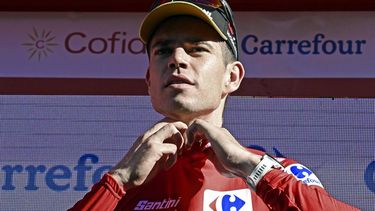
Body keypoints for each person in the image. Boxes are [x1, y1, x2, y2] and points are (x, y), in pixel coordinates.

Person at [69, 0, 359, 210]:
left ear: (231, 77)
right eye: (164, 50)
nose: (177, 59)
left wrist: (252, 168)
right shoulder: (119, 191)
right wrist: (118, 180)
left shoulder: (278, 176)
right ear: (149, 79)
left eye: (196, 49)